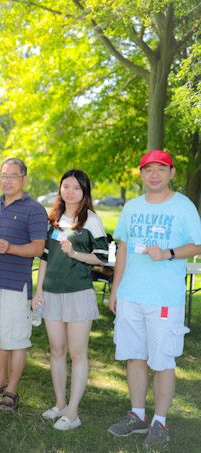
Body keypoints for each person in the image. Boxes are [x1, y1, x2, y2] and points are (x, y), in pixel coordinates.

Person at [107, 150, 201, 448]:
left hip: (164, 299)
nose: (155, 174)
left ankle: (160, 422)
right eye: (148, 170)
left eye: (161, 169)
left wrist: (169, 253)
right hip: (130, 295)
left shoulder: (183, 206)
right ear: (142, 174)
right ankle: (137, 415)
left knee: (162, 361)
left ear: (172, 173)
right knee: (134, 356)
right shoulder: (132, 207)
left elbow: (198, 244)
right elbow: (123, 249)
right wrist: (115, 290)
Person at [31, 169, 108, 430]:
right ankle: (60, 404)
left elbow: (102, 257)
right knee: (56, 350)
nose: (70, 191)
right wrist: (39, 291)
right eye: (66, 186)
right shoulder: (52, 219)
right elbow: (44, 257)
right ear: (60, 189)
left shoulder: (91, 220)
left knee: (77, 353)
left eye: (76, 187)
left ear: (84, 191)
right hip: (51, 293)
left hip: (78, 293)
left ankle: (73, 413)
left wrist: (76, 255)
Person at [0, 158, 47, 411]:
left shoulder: (34, 209)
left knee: (15, 340)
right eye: (4, 176)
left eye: (13, 176)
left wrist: (11, 248)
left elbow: (38, 248)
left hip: (15, 285)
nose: (7, 180)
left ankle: (12, 392)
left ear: (24, 179)